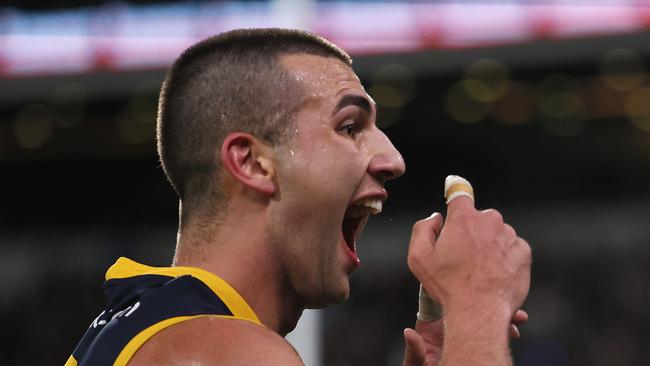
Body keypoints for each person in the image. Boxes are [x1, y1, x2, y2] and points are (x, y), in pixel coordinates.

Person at [66, 28, 531, 366]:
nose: (393, 158)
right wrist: (477, 310)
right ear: (251, 163)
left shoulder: (140, 328)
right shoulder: (225, 353)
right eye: (349, 127)